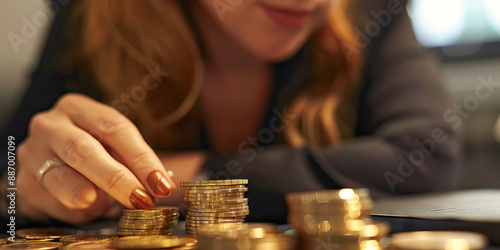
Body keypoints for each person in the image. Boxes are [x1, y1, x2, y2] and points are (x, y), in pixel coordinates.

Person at [0, 0, 462, 225]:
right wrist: (21, 187)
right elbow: (10, 169)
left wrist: (184, 177)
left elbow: (427, 155)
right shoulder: (93, 15)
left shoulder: (371, 10)